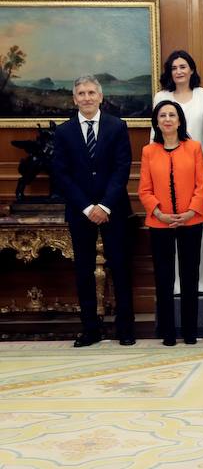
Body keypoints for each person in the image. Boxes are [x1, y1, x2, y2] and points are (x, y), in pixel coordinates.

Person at [52, 75, 135, 347]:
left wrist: (105, 205)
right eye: (81, 93)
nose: (86, 97)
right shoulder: (64, 132)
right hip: (80, 211)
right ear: (74, 98)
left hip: (114, 209)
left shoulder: (117, 126)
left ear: (100, 97)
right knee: (84, 271)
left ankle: (125, 329)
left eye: (91, 93)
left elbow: (122, 168)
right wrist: (88, 207)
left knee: (120, 268)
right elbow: (62, 175)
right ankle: (90, 330)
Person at [138, 101, 203, 346]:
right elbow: (144, 189)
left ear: (180, 121)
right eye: (162, 115)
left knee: (189, 277)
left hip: (192, 221)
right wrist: (158, 213)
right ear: (156, 122)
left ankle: (190, 332)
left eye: (172, 115)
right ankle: (168, 333)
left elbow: (202, 184)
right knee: (164, 278)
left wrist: (190, 212)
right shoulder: (149, 151)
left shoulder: (194, 147)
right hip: (160, 224)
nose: (167, 119)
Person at [152, 50, 203, 294]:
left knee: (199, 226)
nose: (179, 71)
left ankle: (199, 282)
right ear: (169, 72)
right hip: (166, 172)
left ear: (191, 69)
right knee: (170, 226)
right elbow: (154, 137)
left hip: (199, 172)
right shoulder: (161, 97)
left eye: (183, 66)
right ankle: (175, 284)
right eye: (174, 67)